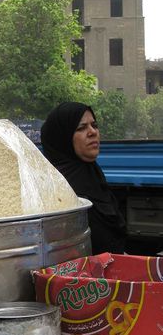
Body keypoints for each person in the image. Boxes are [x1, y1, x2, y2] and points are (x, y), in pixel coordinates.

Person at [40, 101, 126, 254]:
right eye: (81, 128)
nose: (92, 132)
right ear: (62, 137)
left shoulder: (91, 172)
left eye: (94, 125)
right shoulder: (59, 184)